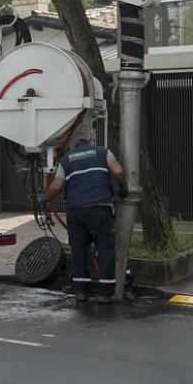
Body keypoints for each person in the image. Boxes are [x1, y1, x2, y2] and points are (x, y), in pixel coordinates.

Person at [36, 127, 128, 303]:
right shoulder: (103, 152)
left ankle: (81, 292)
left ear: (73, 145)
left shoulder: (66, 159)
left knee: (79, 250)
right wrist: (123, 186)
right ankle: (105, 293)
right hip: (100, 207)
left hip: (76, 210)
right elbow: (118, 172)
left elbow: (56, 186)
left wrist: (45, 198)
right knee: (105, 248)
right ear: (89, 141)